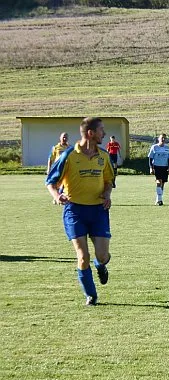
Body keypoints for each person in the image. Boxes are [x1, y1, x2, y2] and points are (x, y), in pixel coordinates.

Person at [45, 117, 114, 306]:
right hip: (75, 211)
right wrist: (57, 196)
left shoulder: (104, 156)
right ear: (91, 133)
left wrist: (107, 194)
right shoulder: (68, 156)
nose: (104, 134)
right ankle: (91, 295)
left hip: (99, 211)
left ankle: (101, 266)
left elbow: (109, 181)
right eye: (101, 130)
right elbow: (50, 182)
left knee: (101, 256)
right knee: (83, 256)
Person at [148, 133, 169, 206]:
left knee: (162, 184)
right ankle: (159, 200)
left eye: (164, 138)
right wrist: (151, 168)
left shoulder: (167, 148)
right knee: (159, 182)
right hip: (157, 166)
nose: (163, 139)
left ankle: (159, 198)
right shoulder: (154, 147)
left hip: (164, 167)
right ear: (158, 139)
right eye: (162, 138)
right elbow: (150, 158)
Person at [46, 132, 71, 204]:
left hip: (67, 168)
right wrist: (49, 169)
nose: (64, 138)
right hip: (58, 168)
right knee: (55, 184)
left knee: (65, 184)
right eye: (63, 137)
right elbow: (50, 159)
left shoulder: (70, 148)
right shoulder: (56, 147)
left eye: (66, 137)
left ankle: (62, 198)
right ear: (60, 138)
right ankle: (56, 198)